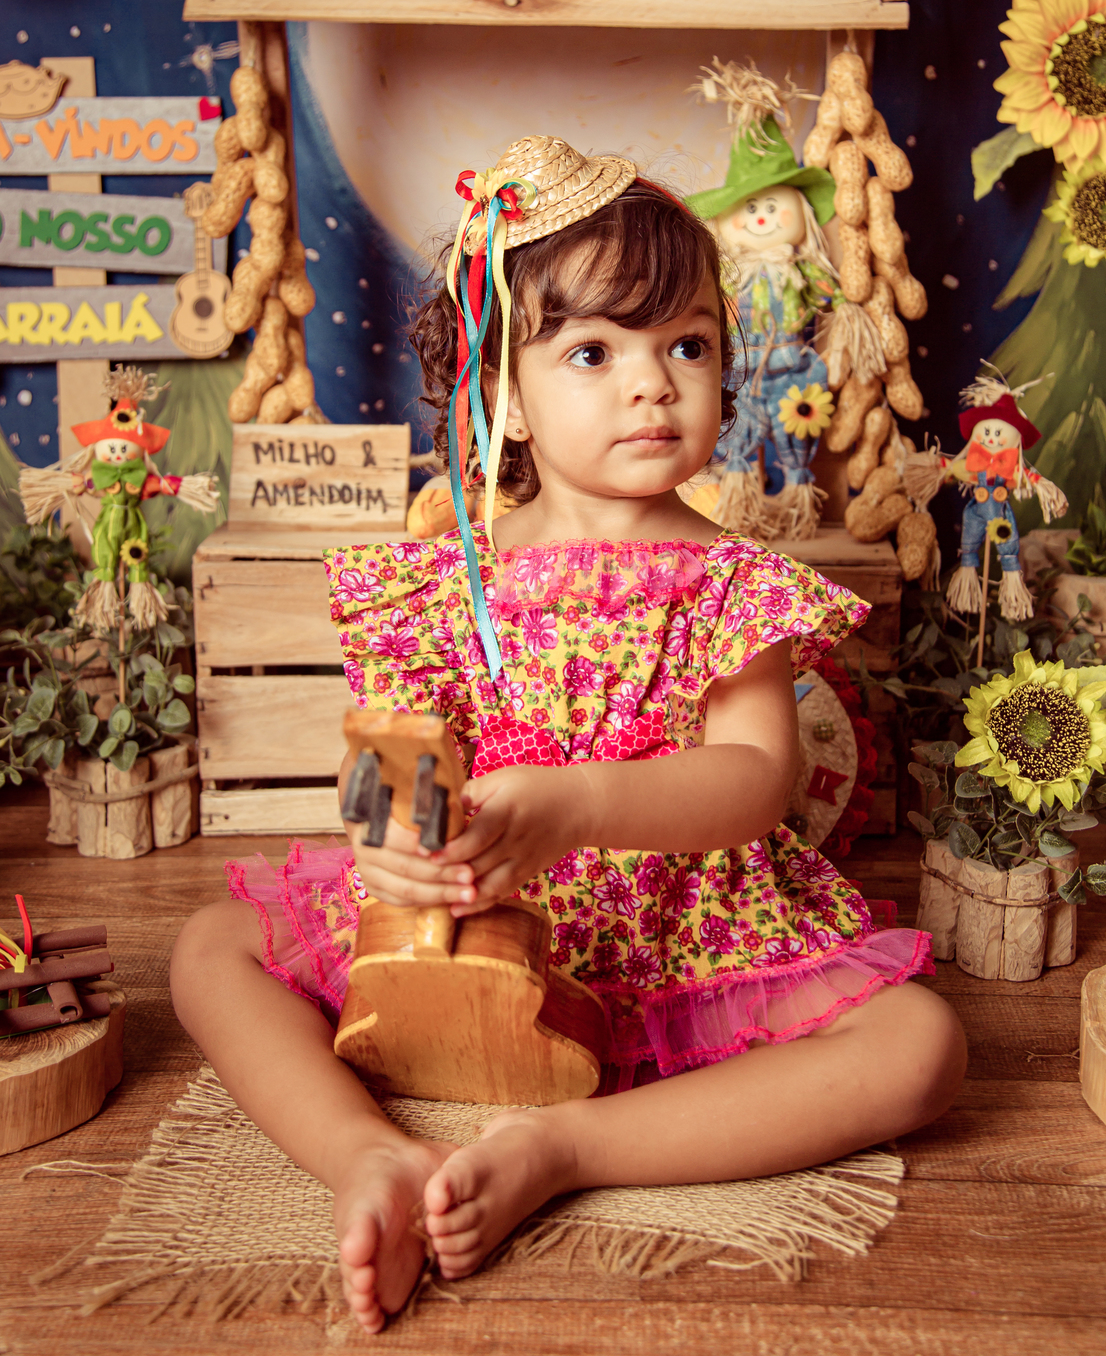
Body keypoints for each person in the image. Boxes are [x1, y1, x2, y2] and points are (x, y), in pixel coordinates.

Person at [171, 135, 966, 1336]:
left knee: (920, 1045)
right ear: (501, 395)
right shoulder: (450, 578)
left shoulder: (729, 580)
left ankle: (568, 1148)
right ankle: (365, 1155)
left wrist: (580, 803)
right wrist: (392, 841)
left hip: (682, 925)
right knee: (210, 946)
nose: (654, 384)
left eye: (686, 345)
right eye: (594, 352)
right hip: (488, 918)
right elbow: (393, 747)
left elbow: (758, 779)